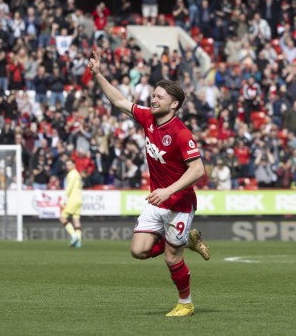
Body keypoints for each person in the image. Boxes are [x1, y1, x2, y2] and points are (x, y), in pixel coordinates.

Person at [87, 50, 210, 317]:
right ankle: (186, 239)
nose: (152, 99)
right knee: (138, 251)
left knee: (170, 257)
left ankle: (185, 303)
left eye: (159, 97)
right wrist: (98, 74)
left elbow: (198, 168)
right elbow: (119, 100)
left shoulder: (180, 133)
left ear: (174, 104)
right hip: (159, 201)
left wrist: (168, 189)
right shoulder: (148, 119)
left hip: (179, 203)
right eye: (153, 95)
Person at [60, 159, 83, 248]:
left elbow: (69, 187)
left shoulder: (71, 174)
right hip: (79, 199)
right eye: (67, 165)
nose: (68, 166)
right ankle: (79, 242)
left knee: (62, 217)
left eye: (69, 164)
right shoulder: (77, 174)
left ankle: (74, 237)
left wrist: (64, 198)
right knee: (76, 220)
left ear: (74, 165)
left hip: (73, 199)